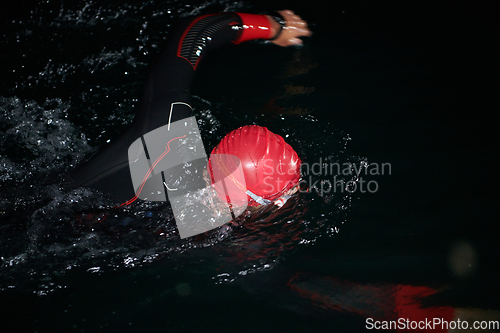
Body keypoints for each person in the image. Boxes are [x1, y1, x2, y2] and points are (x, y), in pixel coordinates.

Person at [69, 10, 312, 217]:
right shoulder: (164, 132)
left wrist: (273, 26)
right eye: (281, 198)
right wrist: (272, 27)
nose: (295, 195)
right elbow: (194, 32)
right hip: (50, 211)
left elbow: (197, 31)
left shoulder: (170, 131)